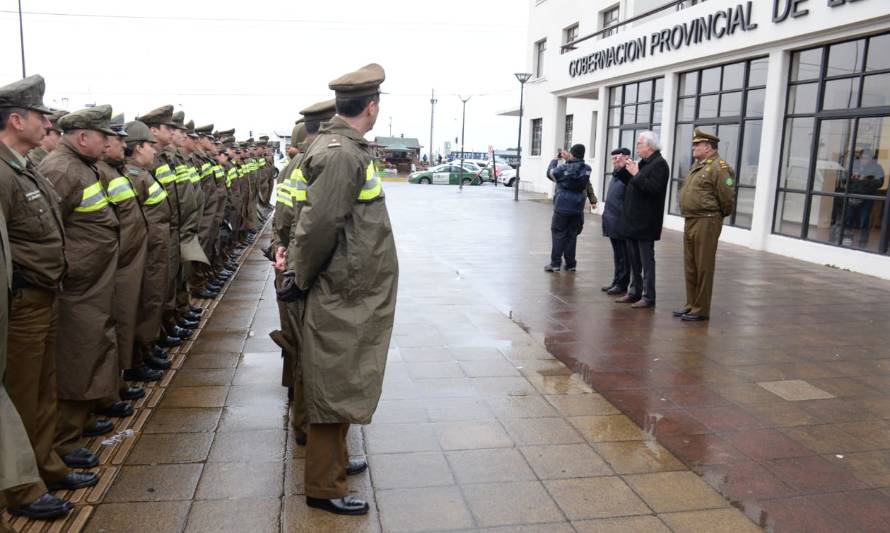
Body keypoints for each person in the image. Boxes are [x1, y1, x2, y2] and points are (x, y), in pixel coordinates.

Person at [283, 63, 398, 516]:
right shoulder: (342, 154)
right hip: (342, 290)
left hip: (350, 287)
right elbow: (318, 225)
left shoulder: (344, 149)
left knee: (342, 378)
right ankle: (323, 486)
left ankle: (331, 468)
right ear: (371, 106)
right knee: (334, 382)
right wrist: (300, 275)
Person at [0, 74, 86, 521]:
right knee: (20, 397)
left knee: (43, 389)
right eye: (39, 115)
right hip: (21, 303)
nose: (46, 122)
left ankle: (46, 466)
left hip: (43, 296)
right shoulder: (2, 171)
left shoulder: (24, 164)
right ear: (17, 119)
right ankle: (22, 488)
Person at [39, 105, 121, 460]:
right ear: (83, 137)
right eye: (103, 136)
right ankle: (65, 439)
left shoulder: (81, 167)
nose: (108, 143)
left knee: (90, 349)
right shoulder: (61, 169)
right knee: (75, 355)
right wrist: (72, 268)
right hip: (75, 286)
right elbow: (48, 232)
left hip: (90, 283)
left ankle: (81, 420)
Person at [675, 128, 735, 322]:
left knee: (703, 266)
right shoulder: (698, 165)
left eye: (697, 144)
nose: (693, 147)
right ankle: (691, 304)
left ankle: (701, 309)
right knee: (691, 265)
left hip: (707, 220)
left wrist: (717, 216)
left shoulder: (719, 166)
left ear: (708, 147)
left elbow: (726, 197)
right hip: (692, 219)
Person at [615, 130, 669, 309]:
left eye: (640, 143)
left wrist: (636, 173)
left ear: (650, 146)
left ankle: (648, 296)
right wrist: (622, 168)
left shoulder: (660, 164)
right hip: (632, 221)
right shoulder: (644, 163)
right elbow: (632, 183)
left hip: (646, 222)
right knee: (634, 261)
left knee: (646, 262)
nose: (637, 146)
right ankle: (633, 291)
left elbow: (653, 189)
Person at [544, 144, 595, 272]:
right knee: (572, 235)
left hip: (562, 205)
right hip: (577, 206)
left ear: (571, 154)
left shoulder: (563, 168)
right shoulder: (587, 169)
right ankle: (571, 264)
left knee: (558, 234)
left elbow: (550, 174)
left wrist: (555, 160)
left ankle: (555, 264)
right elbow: (576, 171)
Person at [601, 147, 630, 295]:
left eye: (617, 158)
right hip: (612, 220)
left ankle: (622, 283)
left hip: (621, 221)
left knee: (624, 256)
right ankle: (616, 280)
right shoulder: (616, 174)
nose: (614, 161)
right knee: (617, 254)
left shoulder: (628, 174)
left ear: (626, 158)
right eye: (612, 159)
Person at [845, 150, 884, 248]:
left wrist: (866, 180)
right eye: (862, 157)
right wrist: (851, 177)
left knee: (864, 221)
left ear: (871, 159)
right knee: (849, 219)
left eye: (866, 158)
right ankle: (846, 241)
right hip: (852, 196)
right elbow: (843, 179)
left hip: (867, 197)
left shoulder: (877, 168)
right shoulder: (853, 165)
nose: (863, 160)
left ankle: (863, 244)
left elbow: (879, 183)